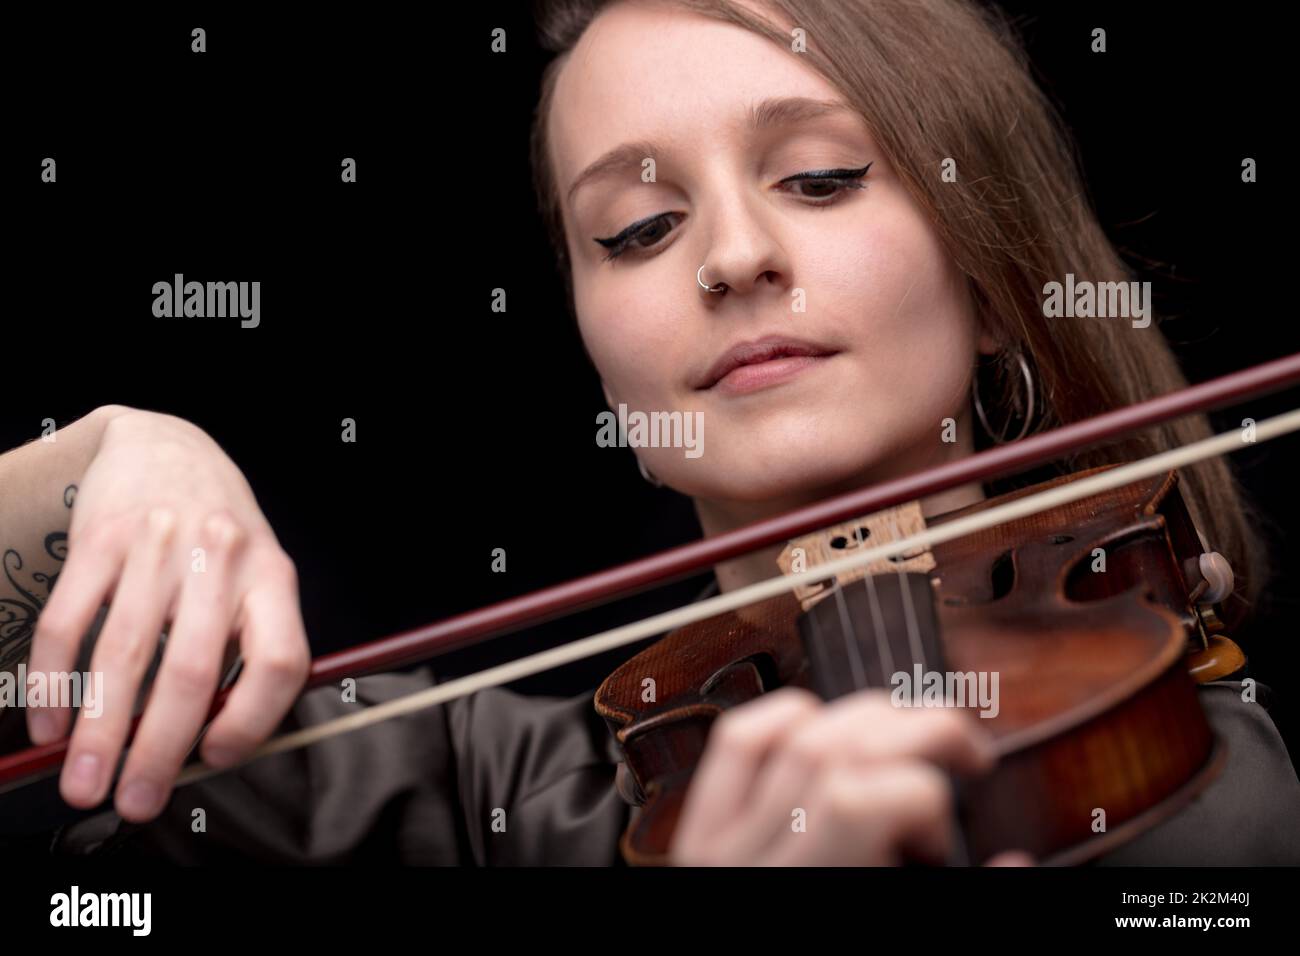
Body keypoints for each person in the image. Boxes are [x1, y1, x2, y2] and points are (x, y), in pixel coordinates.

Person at [4, 0, 1300, 865]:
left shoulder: (1198, 791)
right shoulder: (488, 789)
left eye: (821, 177)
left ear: (997, 279)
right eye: (637, 230)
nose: (734, 256)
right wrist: (117, 456)